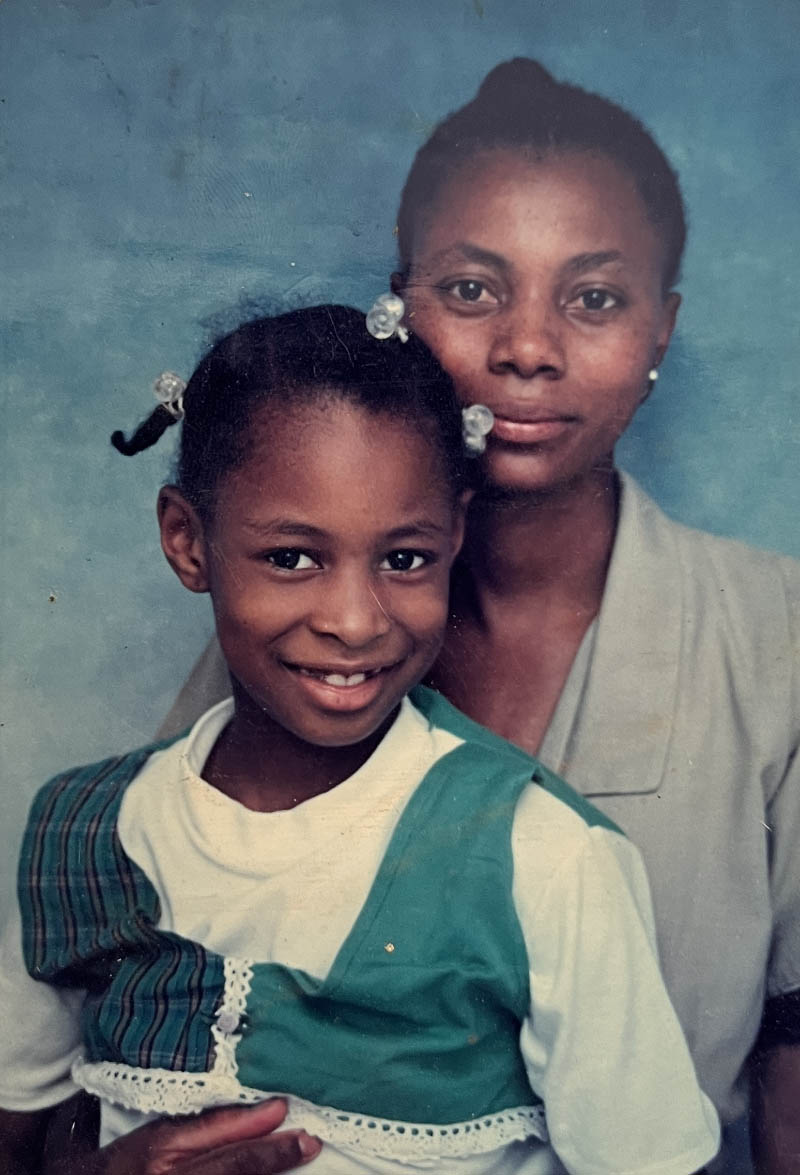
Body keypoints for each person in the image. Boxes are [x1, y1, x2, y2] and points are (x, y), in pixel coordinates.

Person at [159, 62, 800, 1173]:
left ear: (661, 329)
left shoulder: (775, 634)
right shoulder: (303, 630)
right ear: (399, 308)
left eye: (593, 299)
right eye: (470, 289)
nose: (527, 348)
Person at [0, 305, 718, 1175]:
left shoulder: (542, 856)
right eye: (292, 557)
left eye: (404, 558)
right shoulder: (85, 829)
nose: (354, 620)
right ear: (187, 542)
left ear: (454, 536)